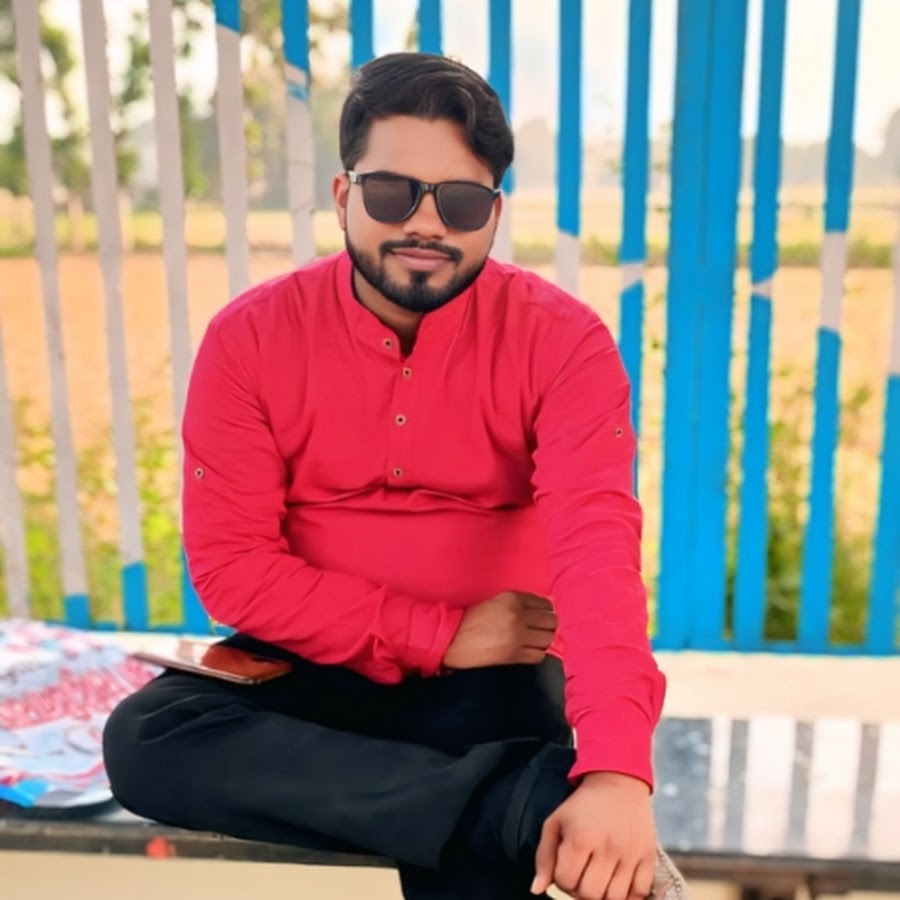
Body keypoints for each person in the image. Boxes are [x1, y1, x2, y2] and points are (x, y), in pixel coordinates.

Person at [103, 52, 686, 900]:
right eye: (391, 194)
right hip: (307, 663)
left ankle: (490, 802)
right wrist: (438, 635)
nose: (425, 224)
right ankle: (520, 805)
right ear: (343, 195)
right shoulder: (251, 339)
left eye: (459, 202)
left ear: (493, 214)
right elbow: (232, 568)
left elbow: (597, 559)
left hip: (494, 681)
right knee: (149, 739)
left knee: (496, 784)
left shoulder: (563, 343)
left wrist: (616, 775)